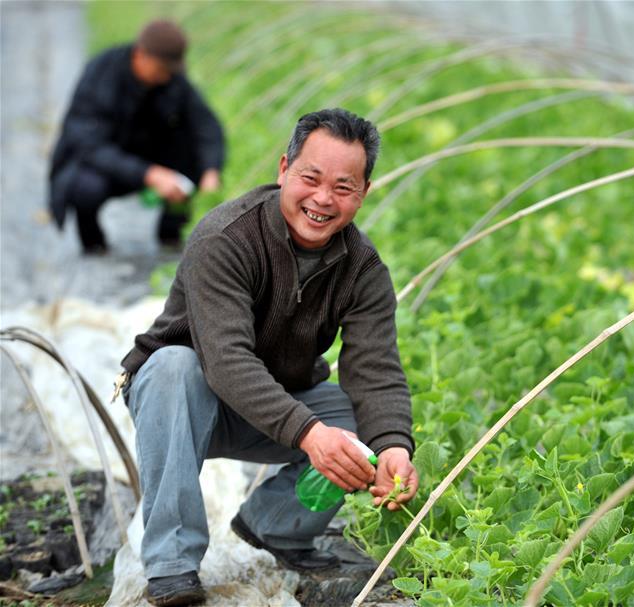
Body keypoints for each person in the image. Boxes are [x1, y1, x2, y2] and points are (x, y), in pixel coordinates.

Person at [119, 108, 418, 606]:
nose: (323, 199)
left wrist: (392, 447)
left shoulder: (362, 270)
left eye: (344, 187)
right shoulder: (226, 239)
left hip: (273, 403)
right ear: (284, 170)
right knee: (176, 365)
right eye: (311, 178)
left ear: (363, 193)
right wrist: (309, 434)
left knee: (364, 427)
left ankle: (275, 524)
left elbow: (376, 371)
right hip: (180, 401)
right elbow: (226, 361)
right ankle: (171, 563)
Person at [48, 19, 225, 254]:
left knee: (194, 159)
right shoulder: (100, 74)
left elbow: (206, 125)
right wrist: (148, 174)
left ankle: (171, 236)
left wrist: (211, 171)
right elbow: (87, 144)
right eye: (162, 70)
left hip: (152, 157)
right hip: (107, 165)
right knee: (85, 187)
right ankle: (92, 241)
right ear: (140, 55)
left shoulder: (172, 80)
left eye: (170, 72)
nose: (166, 77)